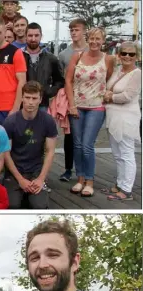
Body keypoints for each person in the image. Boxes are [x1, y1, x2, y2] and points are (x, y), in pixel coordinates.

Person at [64, 27, 114, 198]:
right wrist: (71, 105)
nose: (94, 42)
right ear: (87, 39)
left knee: (87, 145)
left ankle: (90, 181)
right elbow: (68, 81)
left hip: (96, 106)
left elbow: (110, 80)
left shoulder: (108, 59)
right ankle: (80, 179)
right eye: (91, 38)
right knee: (77, 144)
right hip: (77, 105)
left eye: (97, 39)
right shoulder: (77, 57)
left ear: (103, 41)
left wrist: (108, 93)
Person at [3, 81, 57, 209]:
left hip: (36, 171)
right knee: (12, 205)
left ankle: (35, 192)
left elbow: (50, 151)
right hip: (15, 171)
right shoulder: (10, 121)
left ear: (40, 99)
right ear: (22, 98)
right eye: (27, 97)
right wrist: (20, 179)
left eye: (34, 98)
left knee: (40, 206)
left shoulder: (48, 120)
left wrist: (41, 178)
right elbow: (6, 153)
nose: (31, 102)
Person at [103, 42, 141, 201]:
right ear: (119, 54)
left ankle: (127, 189)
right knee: (117, 153)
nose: (127, 56)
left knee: (126, 153)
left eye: (131, 54)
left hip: (127, 117)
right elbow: (107, 87)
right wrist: (109, 94)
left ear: (136, 56)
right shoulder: (118, 70)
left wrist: (110, 97)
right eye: (124, 53)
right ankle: (120, 183)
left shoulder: (137, 73)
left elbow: (127, 96)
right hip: (113, 117)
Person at [57, 18, 88, 182]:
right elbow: (63, 78)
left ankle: (84, 172)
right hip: (71, 98)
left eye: (77, 29)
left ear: (84, 31)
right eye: (71, 30)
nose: (74, 33)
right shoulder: (64, 54)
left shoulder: (93, 50)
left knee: (86, 138)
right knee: (70, 135)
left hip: (90, 99)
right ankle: (68, 169)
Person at [23, 22, 64, 111]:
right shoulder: (18, 56)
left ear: (41, 36)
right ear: (25, 36)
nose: (33, 39)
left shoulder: (51, 58)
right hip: (22, 104)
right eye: (30, 35)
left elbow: (60, 81)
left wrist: (48, 92)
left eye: (36, 35)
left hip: (42, 104)